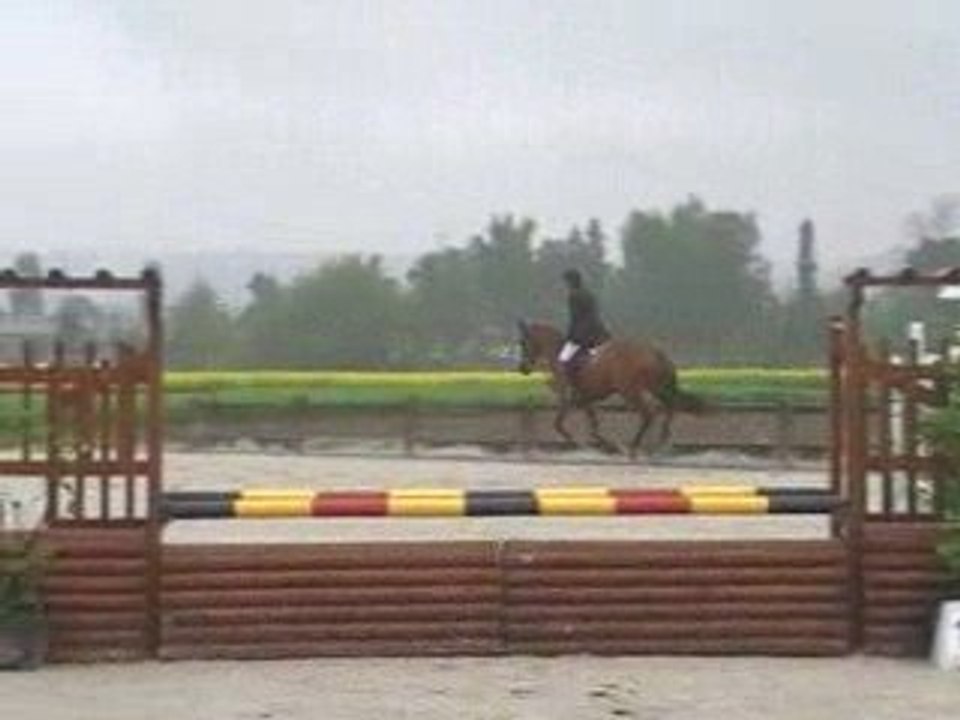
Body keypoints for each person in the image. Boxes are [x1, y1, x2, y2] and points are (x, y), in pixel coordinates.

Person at [558, 269, 610, 385]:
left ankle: (572, 387)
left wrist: (569, 336)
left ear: (570, 282)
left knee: (563, 359)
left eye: (565, 283)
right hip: (599, 331)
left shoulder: (573, 296)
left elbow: (575, 318)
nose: (565, 286)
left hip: (583, 334)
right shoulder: (589, 294)